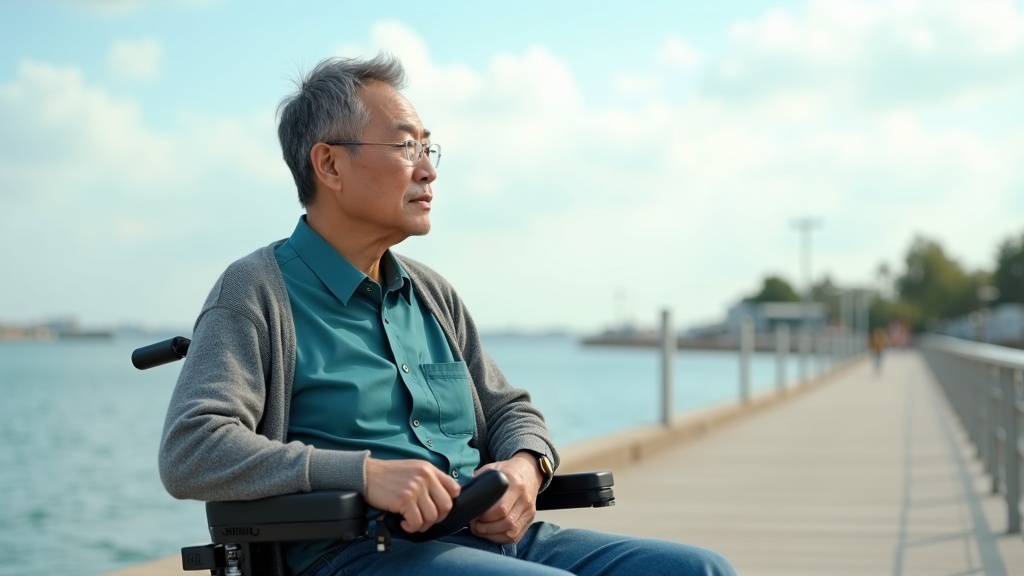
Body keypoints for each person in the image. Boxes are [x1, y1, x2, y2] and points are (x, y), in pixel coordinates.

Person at [159, 53, 735, 576]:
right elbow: (191, 447)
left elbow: (510, 409)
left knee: (700, 570)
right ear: (330, 165)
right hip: (357, 554)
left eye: (427, 149)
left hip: (493, 541)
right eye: (405, 147)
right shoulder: (257, 290)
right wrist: (363, 473)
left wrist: (524, 470)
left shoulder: (431, 293)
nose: (428, 169)